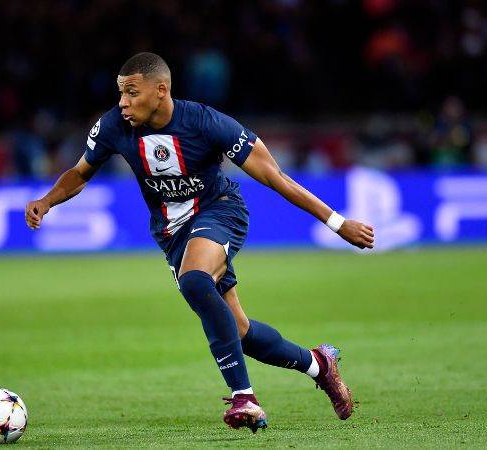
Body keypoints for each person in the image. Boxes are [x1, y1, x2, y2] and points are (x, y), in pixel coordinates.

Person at [25, 52, 374, 433]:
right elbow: (79, 173)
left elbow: (275, 177)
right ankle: (319, 364)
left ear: (161, 91)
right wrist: (47, 201)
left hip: (219, 211)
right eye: (120, 93)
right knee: (240, 333)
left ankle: (245, 397)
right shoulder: (112, 126)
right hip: (172, 234)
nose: (123, 101)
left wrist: (337, 223)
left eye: (131, 92)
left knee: (195, 279)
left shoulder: (206, 123)